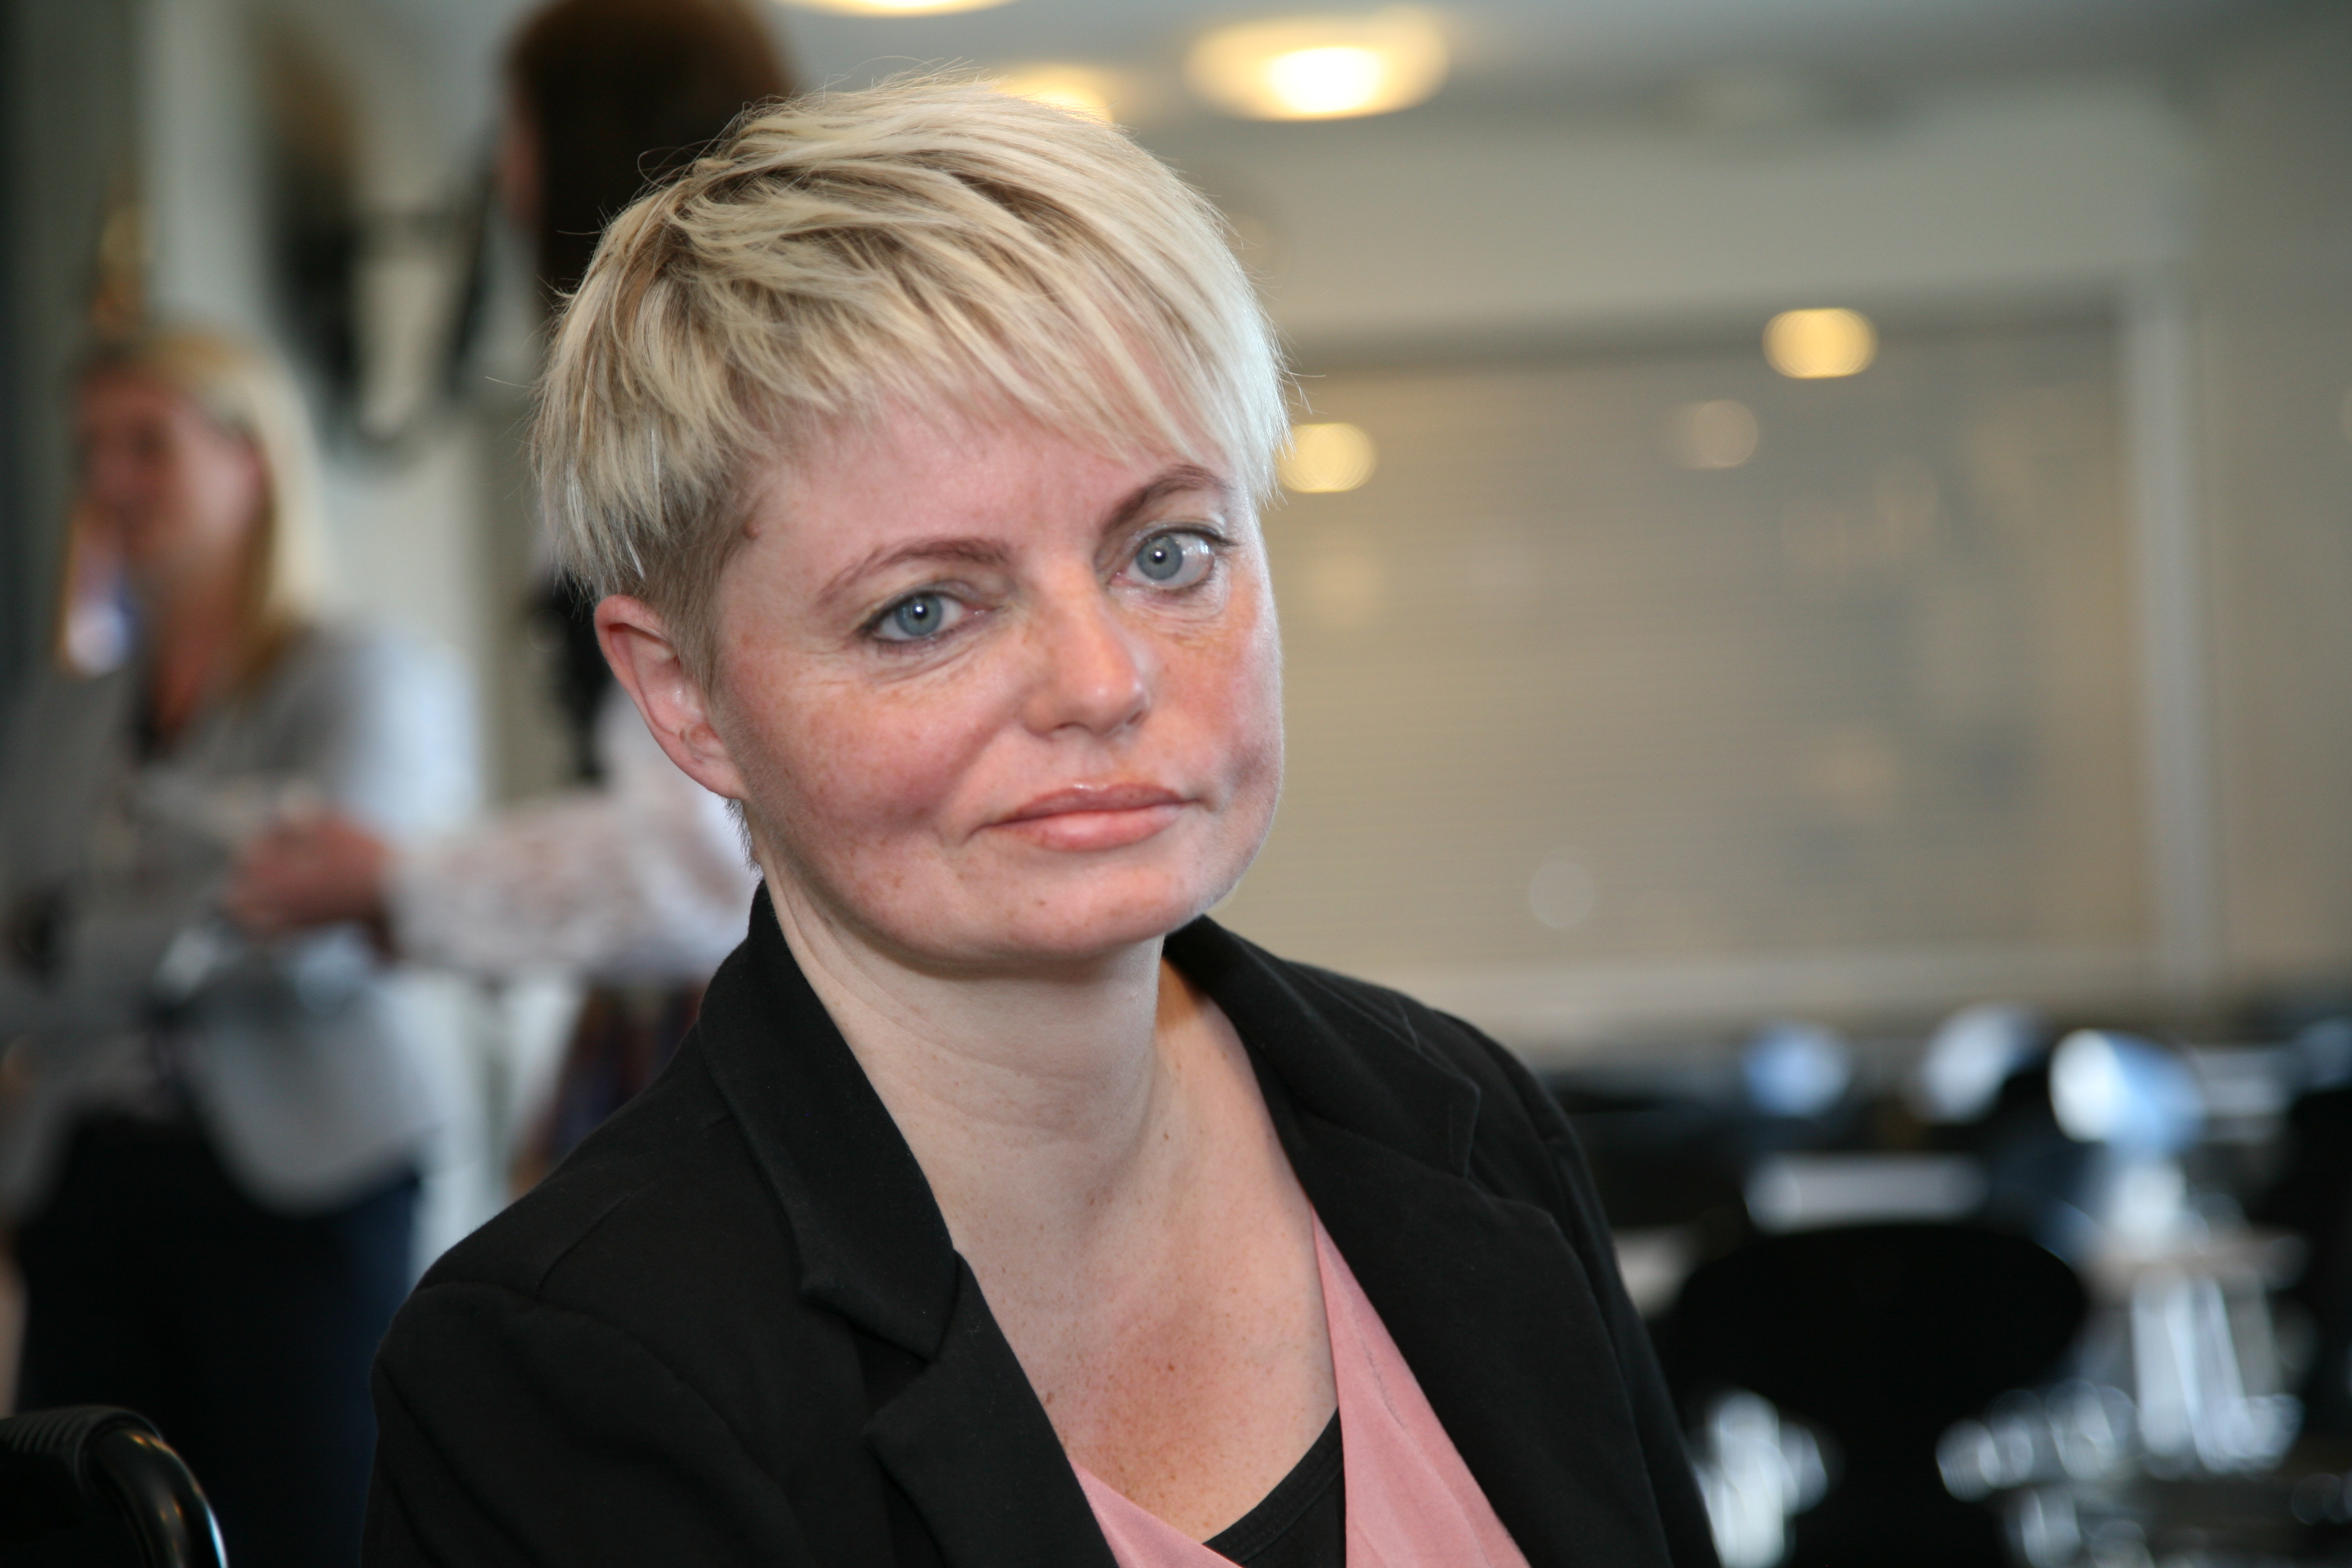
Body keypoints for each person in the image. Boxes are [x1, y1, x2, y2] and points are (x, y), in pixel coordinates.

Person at [364, 81, 1717, 1568]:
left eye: (1169, 552)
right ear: (685, 697)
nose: (1102, 681)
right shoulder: (564, 1368)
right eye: (923, 611)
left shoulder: (1465, 1122)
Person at [232, 0, 783, 1166]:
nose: (508, 176)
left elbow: (704, 858)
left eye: (521, 131)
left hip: (743, 1017)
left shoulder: (682, 425)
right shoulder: (721, 404)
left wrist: (402, 883)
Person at [0, 325, 476, 1568]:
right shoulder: (57, 710)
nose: (109, 481)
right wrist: (200, 895)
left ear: (251, 457)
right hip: (83, 1182)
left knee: (311, 1529)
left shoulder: (362, 674)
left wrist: (71, 930)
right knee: (88, 1532)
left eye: (146, 444)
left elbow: (320, 934)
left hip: (304, 1183)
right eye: (91, 450)